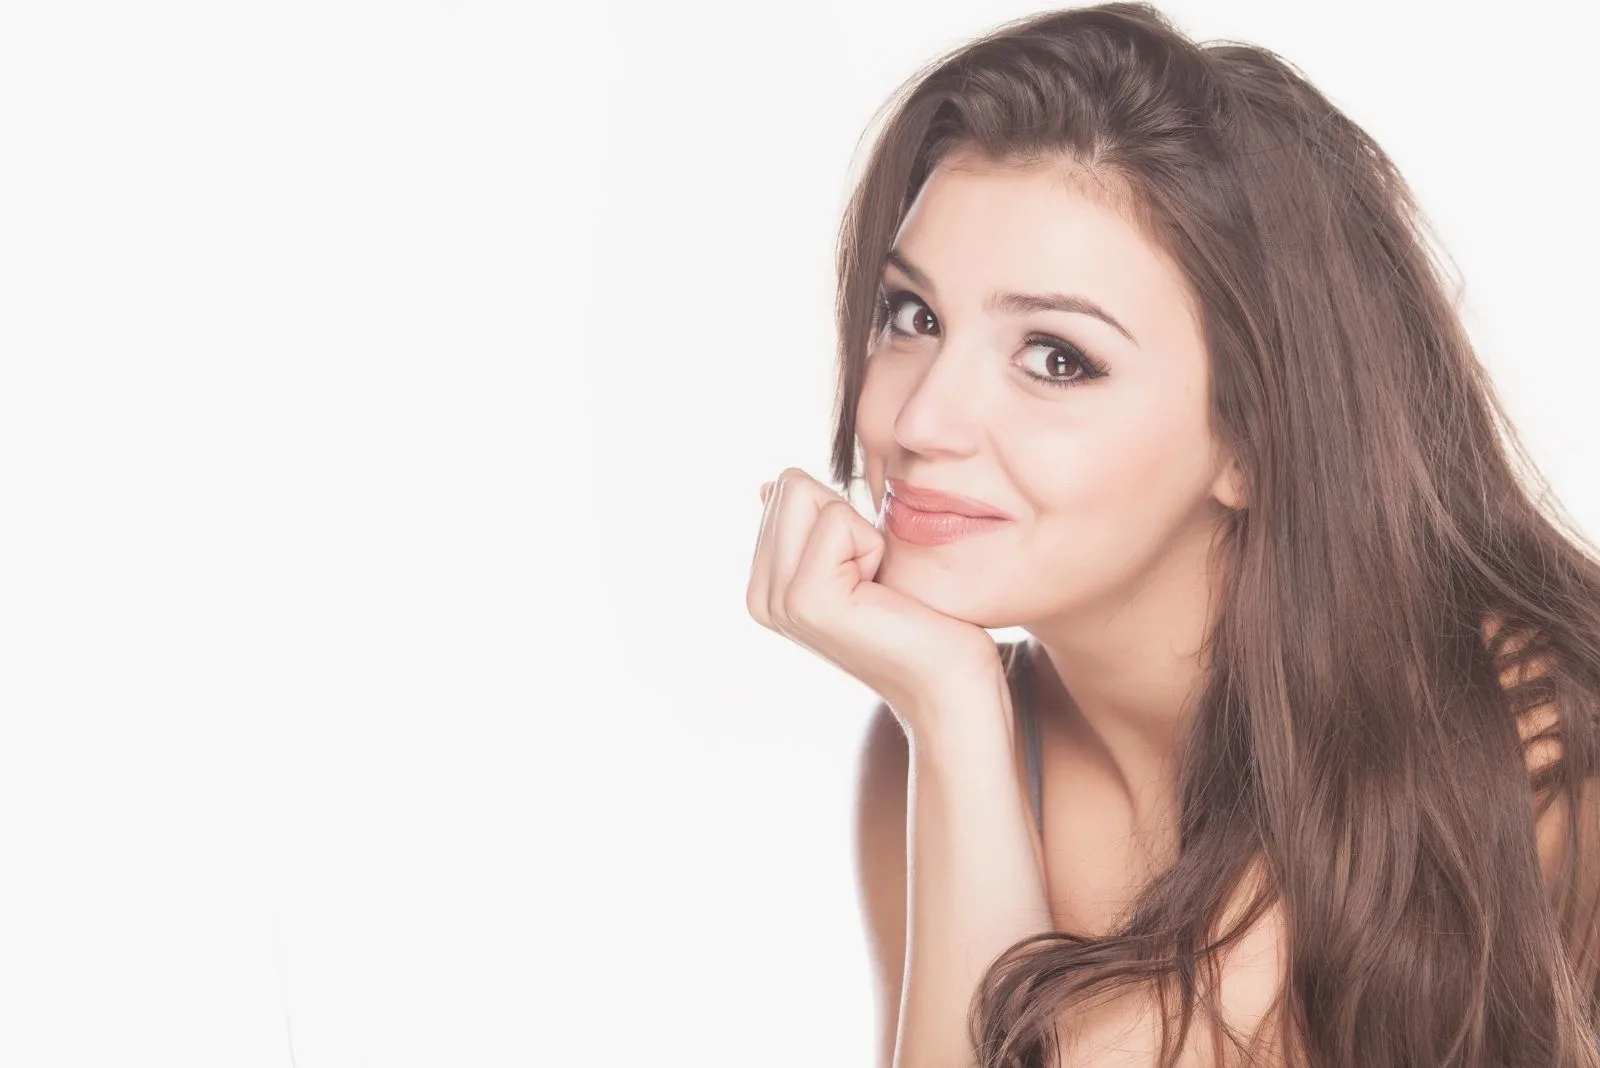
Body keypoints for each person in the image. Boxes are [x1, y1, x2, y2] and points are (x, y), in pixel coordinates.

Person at [744, 3, 1600, 1065]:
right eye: (911, 316)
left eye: (1056, 358)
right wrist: (955, 714)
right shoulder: (940, 748)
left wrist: (956, 724)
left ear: (1251, 437)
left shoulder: (1515, 730)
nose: (917, 424)